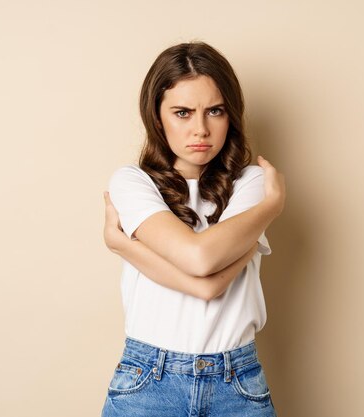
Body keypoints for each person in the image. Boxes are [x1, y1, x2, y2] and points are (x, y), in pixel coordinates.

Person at [101, 41, 285, 417]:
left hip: (237, 383)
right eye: (182, 113)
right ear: (157, 118)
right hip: (148, 381)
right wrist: (269, 211)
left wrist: (124, 246)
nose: (200, 129)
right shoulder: (132, 183)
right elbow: (203, 265)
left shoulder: (251, 183)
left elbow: (203, 267)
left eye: (214, 111)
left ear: (230, 115)